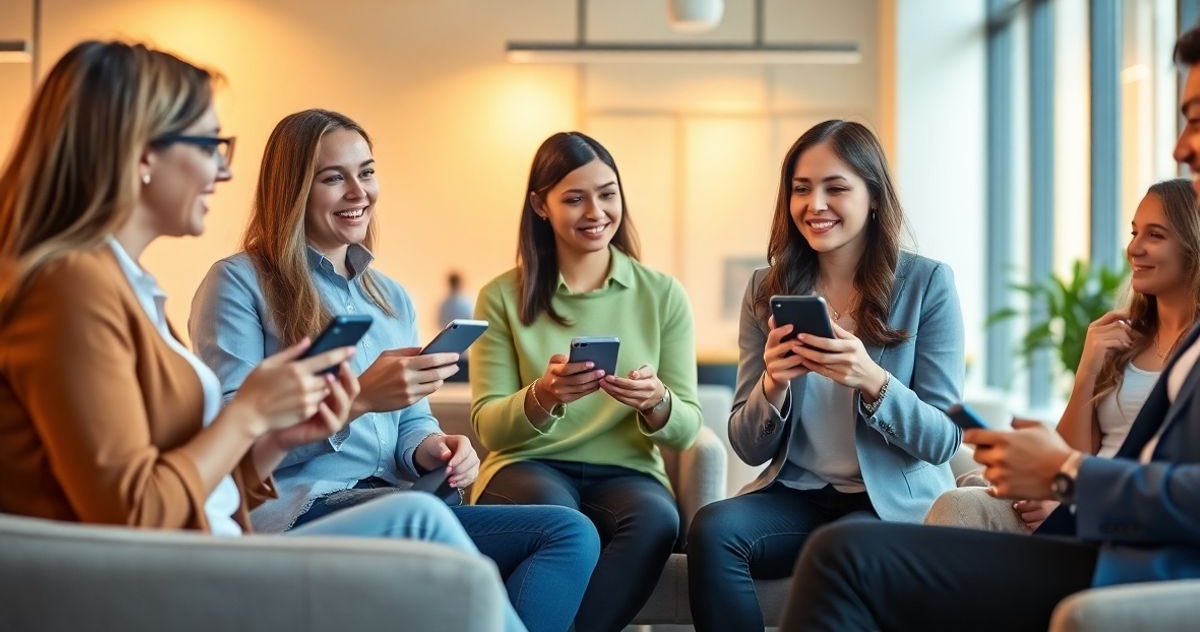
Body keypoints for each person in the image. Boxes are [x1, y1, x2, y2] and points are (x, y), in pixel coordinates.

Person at [781, 5, 1200, 632]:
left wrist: (1067, 473)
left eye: (1197, 120)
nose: (1180, 147)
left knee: (847, 558)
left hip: (1191, 576)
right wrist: (1055, 479)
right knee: (846, 556)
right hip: (1120, 548)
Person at [0, 41, 498, 613]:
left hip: (209, 541)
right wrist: (249, 415)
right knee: (419, 522)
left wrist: (277, 432)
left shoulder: (123, 285)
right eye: (210, 144)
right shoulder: (73, 288)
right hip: (162, 575)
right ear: (141, 154)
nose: (225, 168)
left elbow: (198, 482)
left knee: (476, 532)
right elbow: (134, 517)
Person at [190, 109, 597, 632]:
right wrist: (356, 398)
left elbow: (411, 420)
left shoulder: (390, 297)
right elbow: (230, 437)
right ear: (292, 190)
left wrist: (432, 448)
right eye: (334, 177)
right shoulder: (238, 284)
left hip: (394, 496)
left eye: (367, 172)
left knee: (570, 533)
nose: (359, 192)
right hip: (300, 509)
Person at [683, 119, 964, 632]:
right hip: (797, 497)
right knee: (713, 529)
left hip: (886, 505)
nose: (815, 205)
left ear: (874, 196)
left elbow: (944, 438)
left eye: (836, 188)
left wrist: (872, 380)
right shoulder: (766, 289)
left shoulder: (926, 284)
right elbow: (747, 447)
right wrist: (773, 384)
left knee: (840, 549)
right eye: (801, 189)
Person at [468, 131, 704, 632]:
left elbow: (686, 429)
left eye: (607, 193)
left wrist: (657, 401)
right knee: (557, 520)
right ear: (540, 205)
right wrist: (543, 395)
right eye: (574, 198)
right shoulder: (501, 297)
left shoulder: (662, 294)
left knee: (657, 520)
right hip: (528, 463)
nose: (595, 211)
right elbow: (489, 427)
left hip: (627, 471)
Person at [926, 179, 1200, 534]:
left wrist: (1072, 501)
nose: (1134, 248)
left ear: (1199, 246)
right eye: (1134, 233)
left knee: (955, 508)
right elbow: (1069, 451)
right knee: (958, 501)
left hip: (1115, 515)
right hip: (1068, 499)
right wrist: (1088, 369)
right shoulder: (1123, 340)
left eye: (1155, 235)